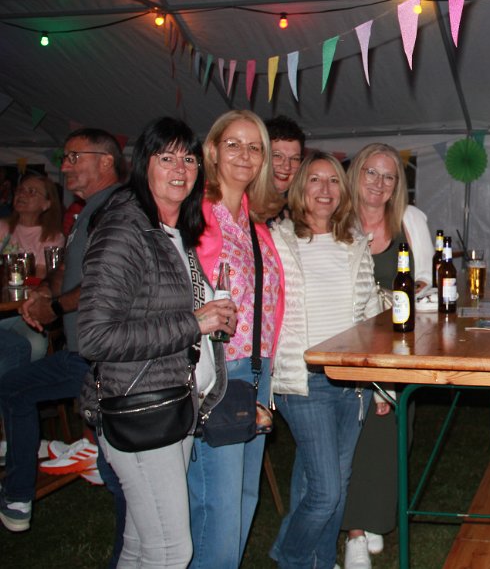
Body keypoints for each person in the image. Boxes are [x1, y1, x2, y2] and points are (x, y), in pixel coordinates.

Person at [77, 118, 233, 568]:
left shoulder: (172, 231)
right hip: (138, 406)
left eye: (189, 159)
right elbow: (94, 336)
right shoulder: (124, 229)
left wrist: (208, 318)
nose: (180, 169)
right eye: (167, 158)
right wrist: (193, 323)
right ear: (144, 163)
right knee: (171, 551)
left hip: (170, 403)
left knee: (140, 543)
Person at [0, 129, 126, 541]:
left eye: (74, 157)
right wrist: (45, 291)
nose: (65, 166)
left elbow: (104, 282)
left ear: (105, 161)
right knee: (14, 389)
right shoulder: (86, 211)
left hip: (106, 360)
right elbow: (68, 267)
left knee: (121, 473)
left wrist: (54, 307)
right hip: (82, 355)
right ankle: (20, 493)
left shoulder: (117, 209)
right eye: (65, 157)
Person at [269, 151, 383, 569]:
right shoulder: (278, 240)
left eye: (334, 180)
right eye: (315, 180)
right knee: (325, 493)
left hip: (352, 384)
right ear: (300, 188)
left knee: (331, 484)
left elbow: (370, 313)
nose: (325, 189)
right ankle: (293, 559)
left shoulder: (355, 244)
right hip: (305, 380)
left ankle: (320, 561)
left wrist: (381, 383)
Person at [188, 110, 285, 568]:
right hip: (216, 373)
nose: (245, 155)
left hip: (257, 373)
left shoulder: (255, 225)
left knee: (245, 498)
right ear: (212, 150)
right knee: (219, 508)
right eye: (233, 144)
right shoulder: (193, 217)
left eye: (254, 147)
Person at [341, 142, 432, 569]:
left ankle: (375, 514)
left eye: (389, 176)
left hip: (397, 348)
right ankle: (355, 533)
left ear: (398, 185)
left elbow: (428, 281)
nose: (379, 183)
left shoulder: (410, 220)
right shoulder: (337, 219)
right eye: (371, 173)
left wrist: (411, 294)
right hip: (349, 348)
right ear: (356, 175)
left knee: (394, 434)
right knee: (357, 437)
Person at [0, 174, 65, 377]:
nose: (22, 194)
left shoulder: (52, 237)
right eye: (20, 190)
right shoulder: (2, 227)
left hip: (22, 311)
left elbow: (43, 279)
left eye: (31, 192)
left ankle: (14, 388)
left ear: (47, 204)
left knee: (35, 344)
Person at [265, 115, 306, 209]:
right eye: (277, 155)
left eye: (295, 158)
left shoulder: (298, 210)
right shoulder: (240, 206)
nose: (287, 166)